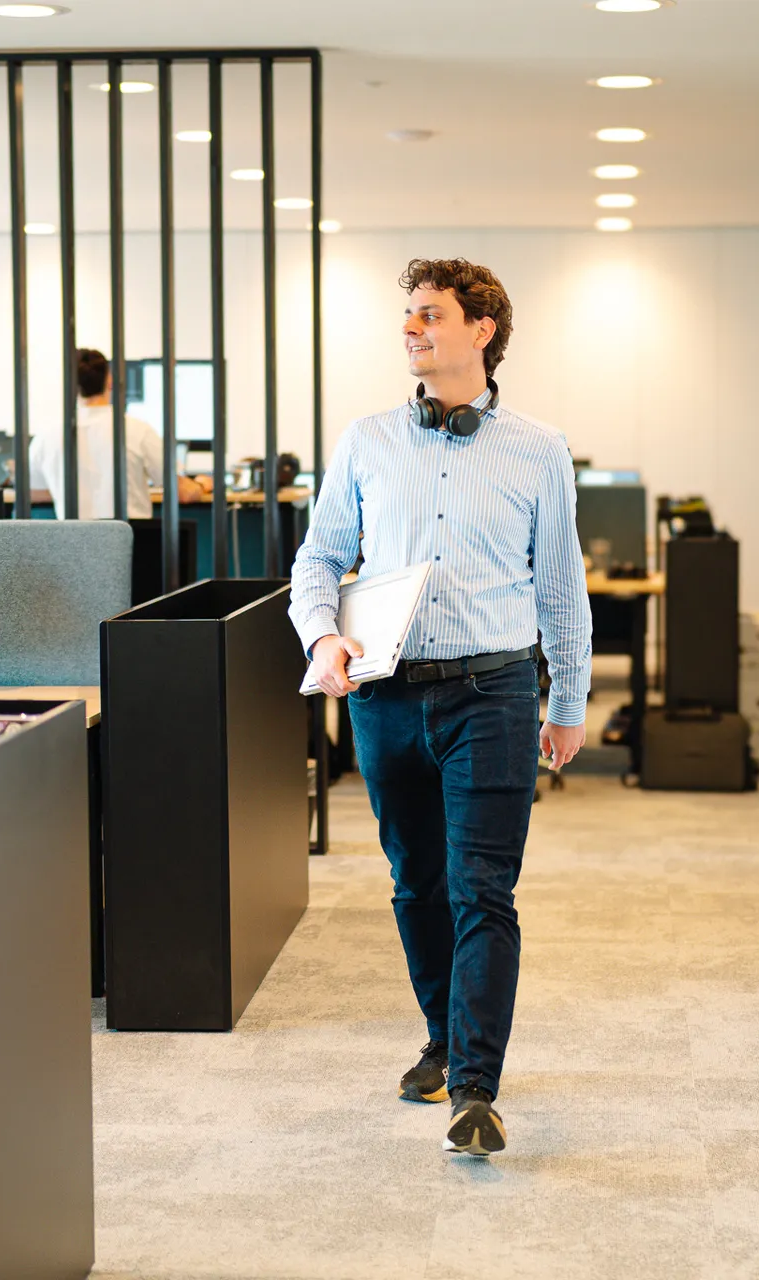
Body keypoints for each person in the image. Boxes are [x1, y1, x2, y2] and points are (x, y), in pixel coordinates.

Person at [290, 258, 593, 1158]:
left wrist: (567, 698)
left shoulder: (538, 449)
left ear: (482, 328)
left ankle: (475, 1087)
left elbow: (562, 586)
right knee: (416, 882)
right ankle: (443, 1037)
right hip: (384, 698)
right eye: (409, 317)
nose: (412, 329)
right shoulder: (367, 441)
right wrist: (321, 638)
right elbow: (316, 560)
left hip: (493, 694)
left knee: (482, 889)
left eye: (430, 315)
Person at [30, 348, 194, 519]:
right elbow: (183, 492)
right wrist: (202, 484)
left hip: (73, 543)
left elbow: (31, 491)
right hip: (130, 542)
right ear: (110, 381)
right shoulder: (137, 430)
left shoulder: (47, 437)